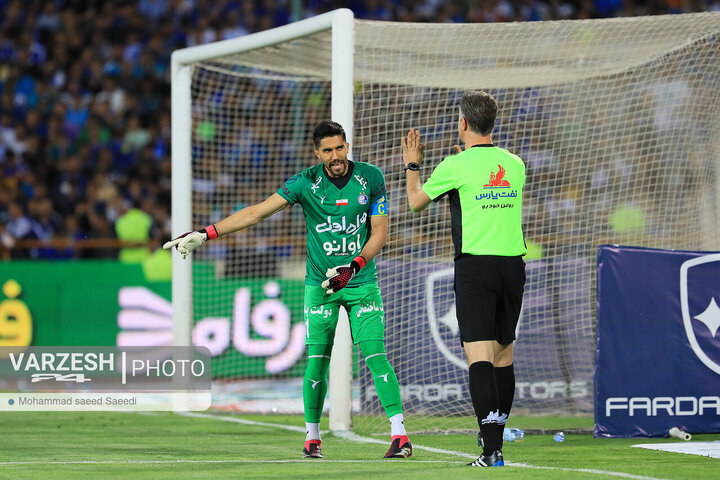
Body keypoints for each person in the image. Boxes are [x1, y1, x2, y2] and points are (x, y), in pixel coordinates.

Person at [164, 121, 412, 460]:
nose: (335, 156)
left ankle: (399, 434)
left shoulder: (371, 178)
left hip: (360, 281)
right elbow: (256, 213)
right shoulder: (304, 182)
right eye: (328, 150)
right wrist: (206, 234)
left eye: (340, 148)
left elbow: (380, 232)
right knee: (317, 361)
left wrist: (352, 267)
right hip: (320, 286)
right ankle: (312, 437)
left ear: (348, 146)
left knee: (375, 355)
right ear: (317, 153)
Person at [401, 90, 526, 467]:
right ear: (493, 123)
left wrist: (412, 165)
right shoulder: (515, 163)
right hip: (513, 266)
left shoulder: (455, 166)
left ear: (462, 124)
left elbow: (416, 202)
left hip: (476, 267)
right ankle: (495, 439)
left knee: (479, 358)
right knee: (504, 356)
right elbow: (485, 184)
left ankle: (491, 452)